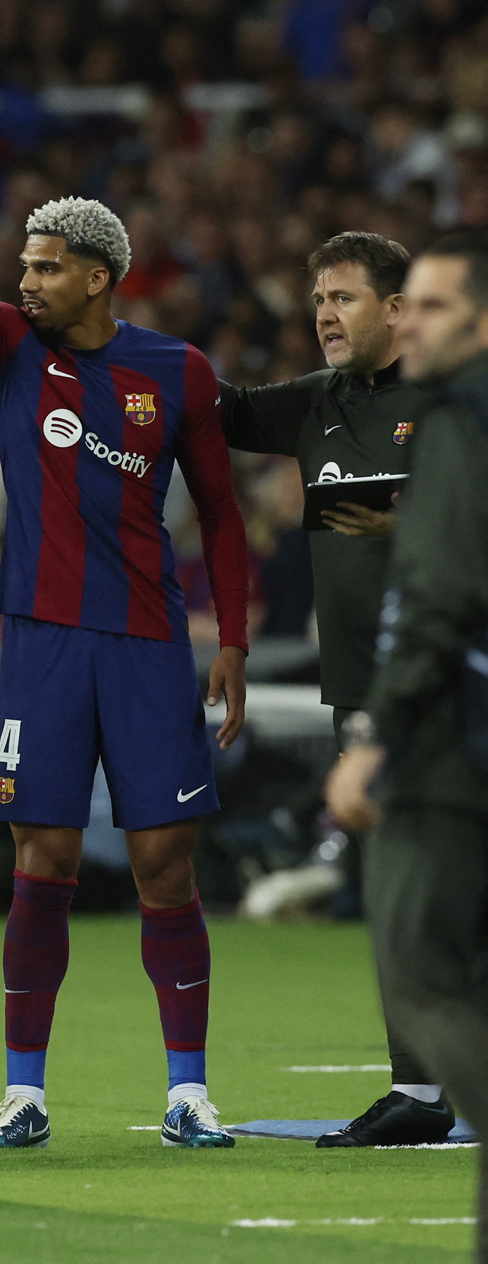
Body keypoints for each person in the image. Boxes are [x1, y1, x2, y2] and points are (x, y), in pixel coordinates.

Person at [0, 129, 250, 1150]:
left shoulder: (178, 371)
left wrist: (234, 641)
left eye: (45, 268)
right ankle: (22, 1093)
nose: (24, 282)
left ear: (98, 277)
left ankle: (189, 1092)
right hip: (43, 644)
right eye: (22, 266)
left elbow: (223, 513)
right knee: (44, 857)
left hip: (148, 642)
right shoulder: (11, 347)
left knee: (164, 863)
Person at [220, 232, 451, 1147]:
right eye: (318, 298)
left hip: (453, 684)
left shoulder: (452, 405)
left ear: (396, 309)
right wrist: (114, 341)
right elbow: (220, 409)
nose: (325, 313)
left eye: (344, 297)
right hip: (364, 694)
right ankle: (421, 1091)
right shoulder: (316, 404)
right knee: (397, 889)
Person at [327, 229, 488, 1261]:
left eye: (433, 307)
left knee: (419, 967)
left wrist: (374, 735)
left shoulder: (456, 426)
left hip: (450, 750)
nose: (410, 325)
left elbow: (433, 601)